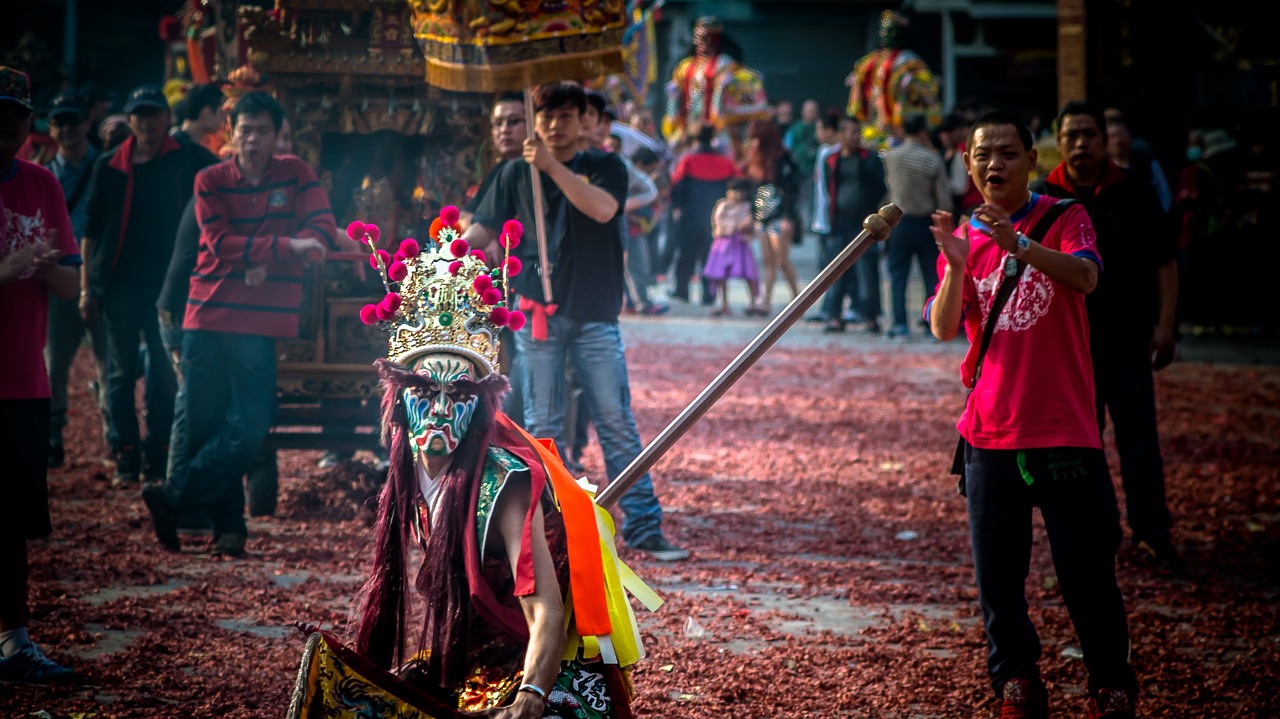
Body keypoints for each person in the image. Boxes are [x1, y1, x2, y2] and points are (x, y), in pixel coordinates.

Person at [289, 210, 657, 716]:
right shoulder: (408, 477)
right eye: (426, 392)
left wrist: (529, 697)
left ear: (478, 405)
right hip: (477, 653)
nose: (440, 410)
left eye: (458, 395)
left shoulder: (500, 486)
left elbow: (545, 611)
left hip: (543, 665)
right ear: (399, 399)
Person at [927, 111, 1137, 718]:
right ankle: (1016, 679)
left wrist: (1017, 243)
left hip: (1064, 426)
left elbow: (1087, 277)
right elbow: (944, 328)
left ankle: (1109, 682)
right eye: (983, 154)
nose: (995, 164)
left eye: (1008, 153)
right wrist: (959, 263)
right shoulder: (962, 238)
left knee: (1087, 571)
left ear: (1031, 161)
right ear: (967, 164)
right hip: (990, 431)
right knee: (999, 577)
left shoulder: (1064, 217)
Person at [464, 81, 688, 562]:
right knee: (542, 423)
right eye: (545, 117)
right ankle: (554, 523)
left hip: (592, 313)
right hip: (537, 314)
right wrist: (453, 252)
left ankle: (645, 524)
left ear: (582, 121)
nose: (553, 125)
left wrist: (551, 166)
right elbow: (482, 227)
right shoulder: (511, 174)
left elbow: (603, 209)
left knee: (614, 420)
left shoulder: (604, 166)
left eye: (564, 116)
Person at [141, 91, 334, 557]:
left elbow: (324, 230)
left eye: (262, 130)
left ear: (276, 136)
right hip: (208, 315)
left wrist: (273, 249)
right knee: (208, 423)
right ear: (232, 132)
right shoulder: (210, 178)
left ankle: (174, 496)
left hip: (258, 324)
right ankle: (230, 530)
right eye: (244, 129)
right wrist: (284, 247)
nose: (252, 139)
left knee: (252, 423)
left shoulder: (296, 174)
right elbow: (220, 242)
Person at [1034, 100, 1181, 566]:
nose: (1080, 144)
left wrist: (1166, 325)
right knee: (1084, 443)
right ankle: (1101, 531)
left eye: (1088, 135)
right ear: (1058, 143)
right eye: (1071, 136)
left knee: (1139, 438)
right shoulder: (1044, 198)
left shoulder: (1134, 192)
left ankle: (1152, 529)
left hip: (1128, 338)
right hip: (1068, 348)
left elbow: (1164, 263)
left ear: (1104, 139)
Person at [81, 84, 218, 487]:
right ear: (130, 120)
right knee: (121, 371)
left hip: (169, 287)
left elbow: (222, 178)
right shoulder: (110, 165)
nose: (147, 122)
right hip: (118, 284)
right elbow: (91, 231)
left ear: (167, 118)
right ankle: (124, 450)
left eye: (154, 114)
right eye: (139, 115)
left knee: (163, 372)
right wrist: (88, 288)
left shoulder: (187, 159)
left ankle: (157, 452)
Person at [0, 65, 82, 685]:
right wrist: (12, 267)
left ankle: (16, 642)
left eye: (15, 119)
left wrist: (41, 267)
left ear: (30, 125)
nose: (5, 130)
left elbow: (69, 282)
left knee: (14, 522)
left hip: (25, 379)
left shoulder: (43, 185)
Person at [42, 91, 109, 468]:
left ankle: (116, 435)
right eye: (60, 122)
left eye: (74, 121)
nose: (68, 129)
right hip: (61, 276)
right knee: (55, 362)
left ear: (87, 124)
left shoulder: (105, 168)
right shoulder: (43, 175)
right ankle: (53, 435)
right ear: (52, 129)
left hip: (101, 276)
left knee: (109, 361)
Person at [813, 114, 887, 333]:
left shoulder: (870, 159)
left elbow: (879, 188)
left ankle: (870, 317)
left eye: (858, 132)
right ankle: (834, 316)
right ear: (841, 134)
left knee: (868, 272)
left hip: (866, 226)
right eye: (851, 132)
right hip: (838, 224)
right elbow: (827, 189)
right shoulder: (831, 160)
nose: (856, 137)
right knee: (836, 270)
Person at [884, 113, 951, 338]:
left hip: (898, 222)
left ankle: (899, 323)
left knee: (897, 275)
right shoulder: (932, 159)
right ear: (923, 131)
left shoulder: (891, 157)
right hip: (925, 223)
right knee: (931, 275)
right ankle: (931, 322)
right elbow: (944, 200)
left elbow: (888, 189)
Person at [845, 9, 941, 148]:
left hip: (898, 129)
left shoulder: (909, 61)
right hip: (874, 125)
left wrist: (906, 85)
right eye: (882, 30)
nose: (883, 34)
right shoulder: (871, 61)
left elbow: (926, 94)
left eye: (890, 30)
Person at [666, 123, 739, 305]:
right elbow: (738, 181)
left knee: (686, 253)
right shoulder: (725, 162)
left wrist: (677, 207)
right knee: (710, 255)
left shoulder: (688, 160)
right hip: (717, 217)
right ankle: (709, 294)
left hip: (690, 214)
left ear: (695, 138)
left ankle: (682, 291)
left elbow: (676, 186)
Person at [744, 118, 799, 316]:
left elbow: (792, 190)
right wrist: (752, 216)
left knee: (782, 260)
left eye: (757, 140)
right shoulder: (756, 160)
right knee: (767, 260)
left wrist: (788, 217)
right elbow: (754, 191)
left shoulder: (782, 157)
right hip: (762, 217)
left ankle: (798, 300)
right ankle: (765, 301)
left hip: (779, 217)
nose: (753, 144)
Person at [704, 177, 761, 317]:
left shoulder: (748, 207)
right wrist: (735, 227)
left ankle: (753, 303)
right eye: (734, 191)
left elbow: (754, 226)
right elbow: (717, 224)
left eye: (741, 192)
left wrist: (749, 227)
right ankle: (723, 304)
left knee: (749, 274)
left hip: (741, 243)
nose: (738, 195)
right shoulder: (723, 206)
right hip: (724, 244)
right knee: (721, 275)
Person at [1104, 109, 1171, 213]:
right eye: (1113, 136)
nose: (1118, 141)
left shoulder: (1148, 163)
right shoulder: (1102, 167)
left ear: (1130, 137)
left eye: (1121, 134)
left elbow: (1164, 195)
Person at [170, 82, 225, 152]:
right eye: (221, 112)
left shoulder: (178, 140)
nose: (223, 118)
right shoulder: (176, 146)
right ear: (206, 112)